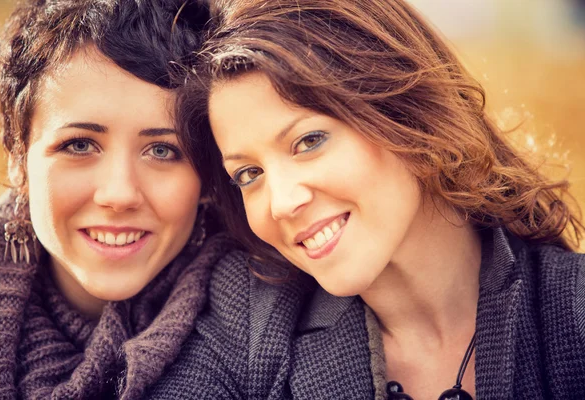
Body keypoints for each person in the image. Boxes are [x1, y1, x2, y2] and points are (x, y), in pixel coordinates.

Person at [148, 0, 585, 399]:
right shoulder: (249, 325)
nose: (280, 203)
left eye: (309, 141)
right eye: (249, 174)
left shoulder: (572, 309)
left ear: (407, 113)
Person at [0, 0, 239, 398]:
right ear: (19, 160)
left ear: (208, 177)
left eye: (162, 151)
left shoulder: (271, 324)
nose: (119, 194)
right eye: (80, 144)